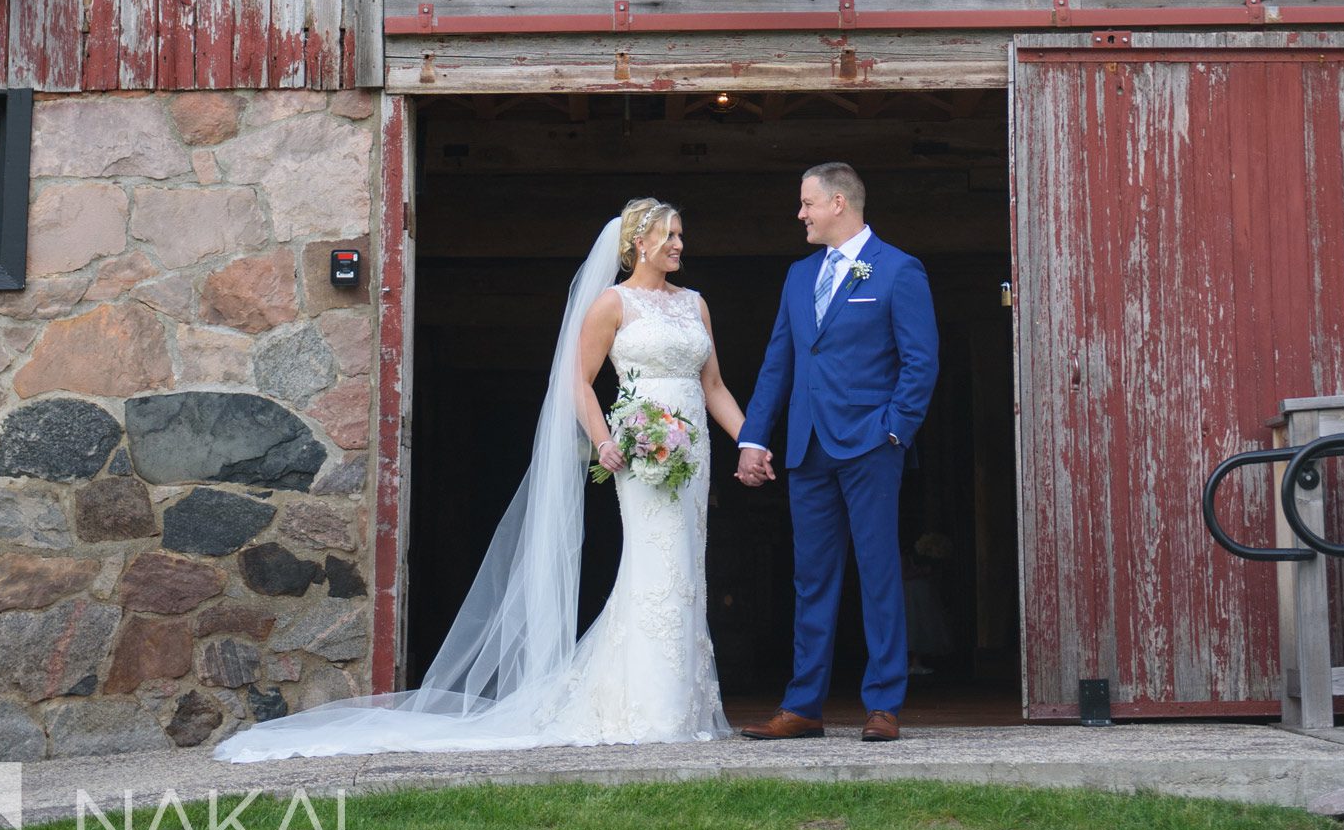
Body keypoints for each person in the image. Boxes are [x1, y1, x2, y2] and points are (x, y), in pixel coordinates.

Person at [214, 197, 742, 759]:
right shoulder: (613, 304)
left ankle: (682, 703)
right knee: (653, 566)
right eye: (671, 236)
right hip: (639, 456)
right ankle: (650, 707)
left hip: (692, 456)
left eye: (681, 235)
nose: (681, 245)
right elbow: (579, 382)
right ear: (641, 243)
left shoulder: (695, 306)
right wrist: (606, 440)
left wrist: (750, 440)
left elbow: (712, 386)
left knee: (688, 568)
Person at [735, 162, 939, 743]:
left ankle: (883, 705)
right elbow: (780, 361)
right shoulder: (799, 277)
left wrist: (894, 431)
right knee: (811, 579)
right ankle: (803, 706)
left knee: (879, 574)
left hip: (871, 446)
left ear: (839, 203)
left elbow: (921, 363)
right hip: (808, 449)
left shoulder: (899, 271)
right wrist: (754, 436)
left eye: (807, 203)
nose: (800, 214)